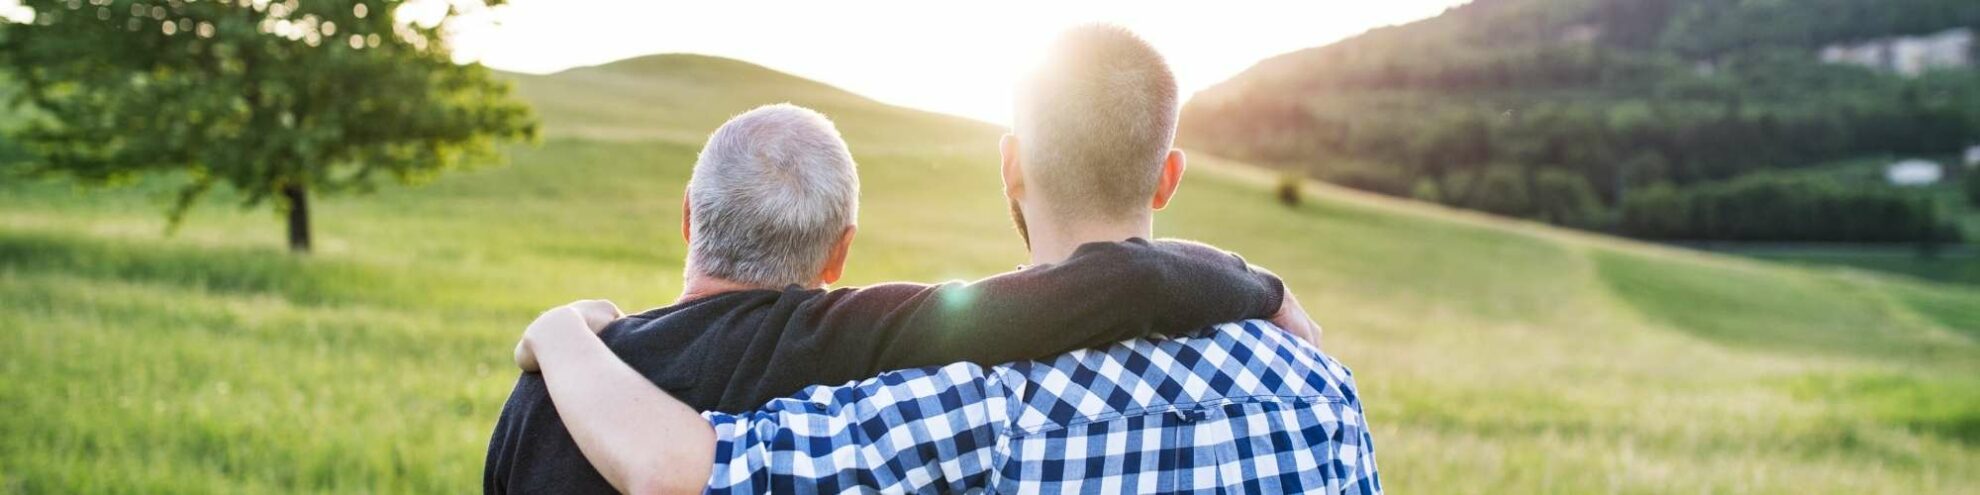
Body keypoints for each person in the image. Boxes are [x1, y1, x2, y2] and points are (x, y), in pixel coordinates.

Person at [517, 25, 1375, 494]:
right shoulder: (1322, 390)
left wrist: (563, 332)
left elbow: (693, 473)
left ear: (1011, 165)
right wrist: (1258, 284)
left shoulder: (975, 398)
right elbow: (1127, 275)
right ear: (1170, 176)